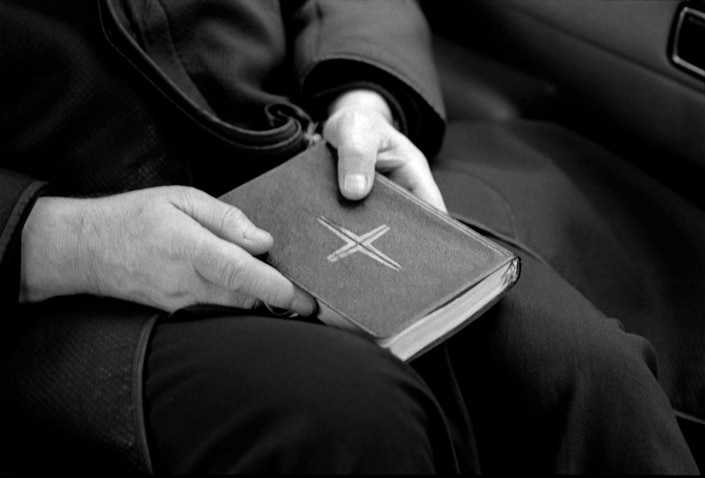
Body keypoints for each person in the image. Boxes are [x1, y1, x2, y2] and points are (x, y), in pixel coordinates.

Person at [0, 0, 699, 474]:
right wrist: (54, 237)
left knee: (582, 371)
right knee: (351, 416)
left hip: (290, 175)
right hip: (48, 273)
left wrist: (365, 91)